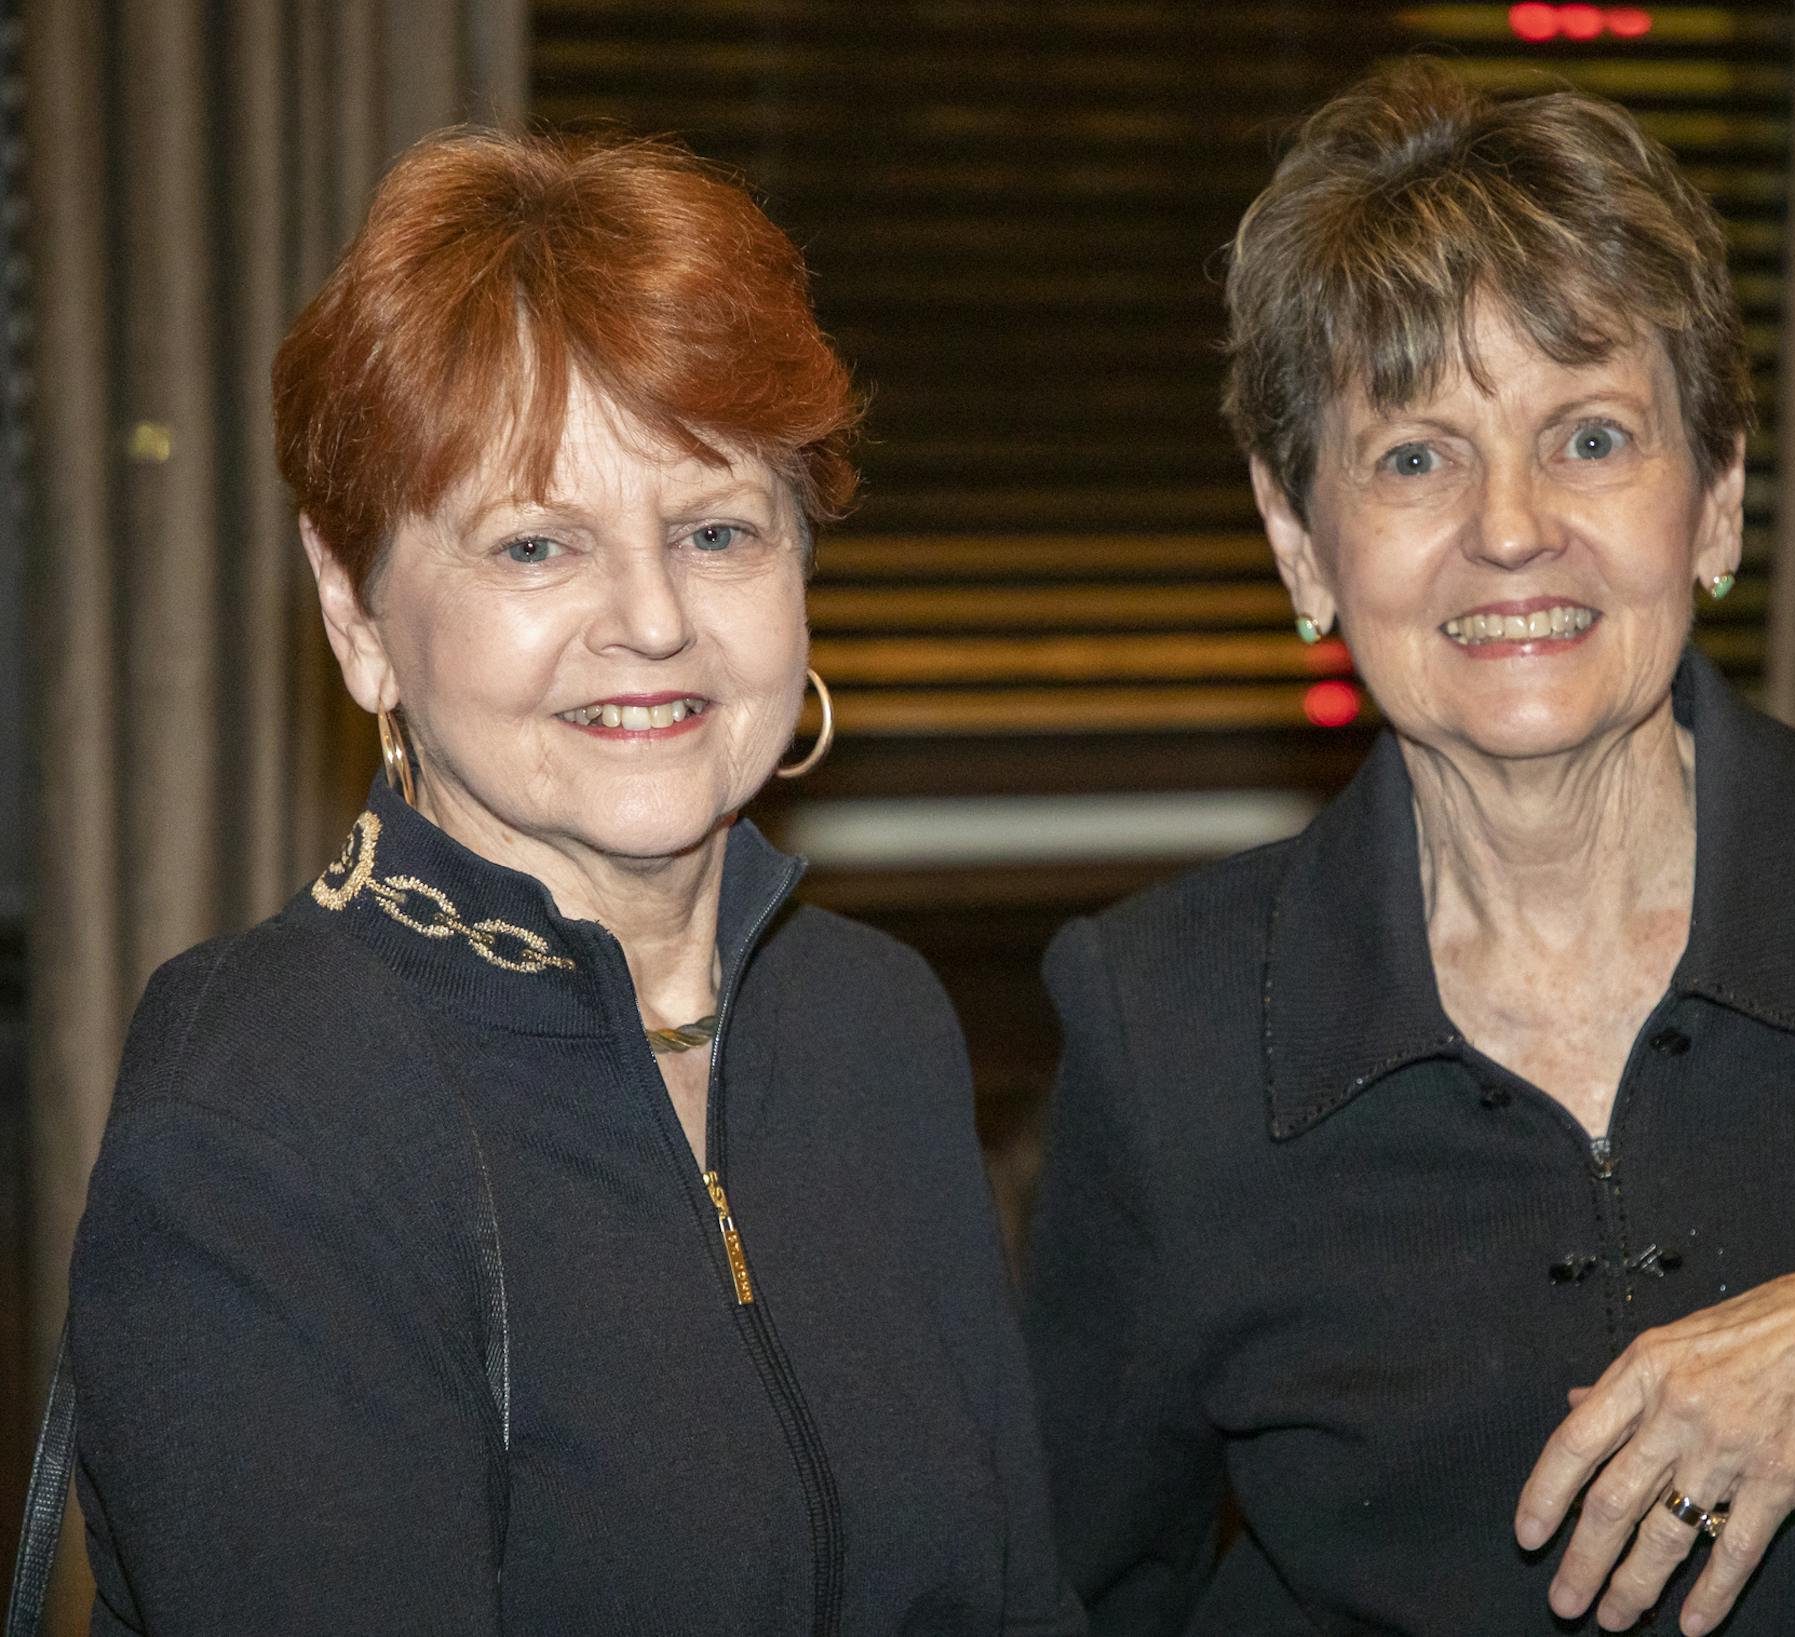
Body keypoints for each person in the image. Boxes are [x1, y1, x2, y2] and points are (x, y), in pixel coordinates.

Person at [1022, 59, 1795, 1637]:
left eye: (1592, 436)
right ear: (1300, 541)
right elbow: (1065, 1596)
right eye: (1414, 456)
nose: (1510, 526)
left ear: (1718, 500)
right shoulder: (1168, 1025)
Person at [66, 130, 1081, 1637]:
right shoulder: (263, 1106)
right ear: (355, 611)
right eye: (538, 545)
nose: (653, 620)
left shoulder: (874, 1026)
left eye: (717, 530)